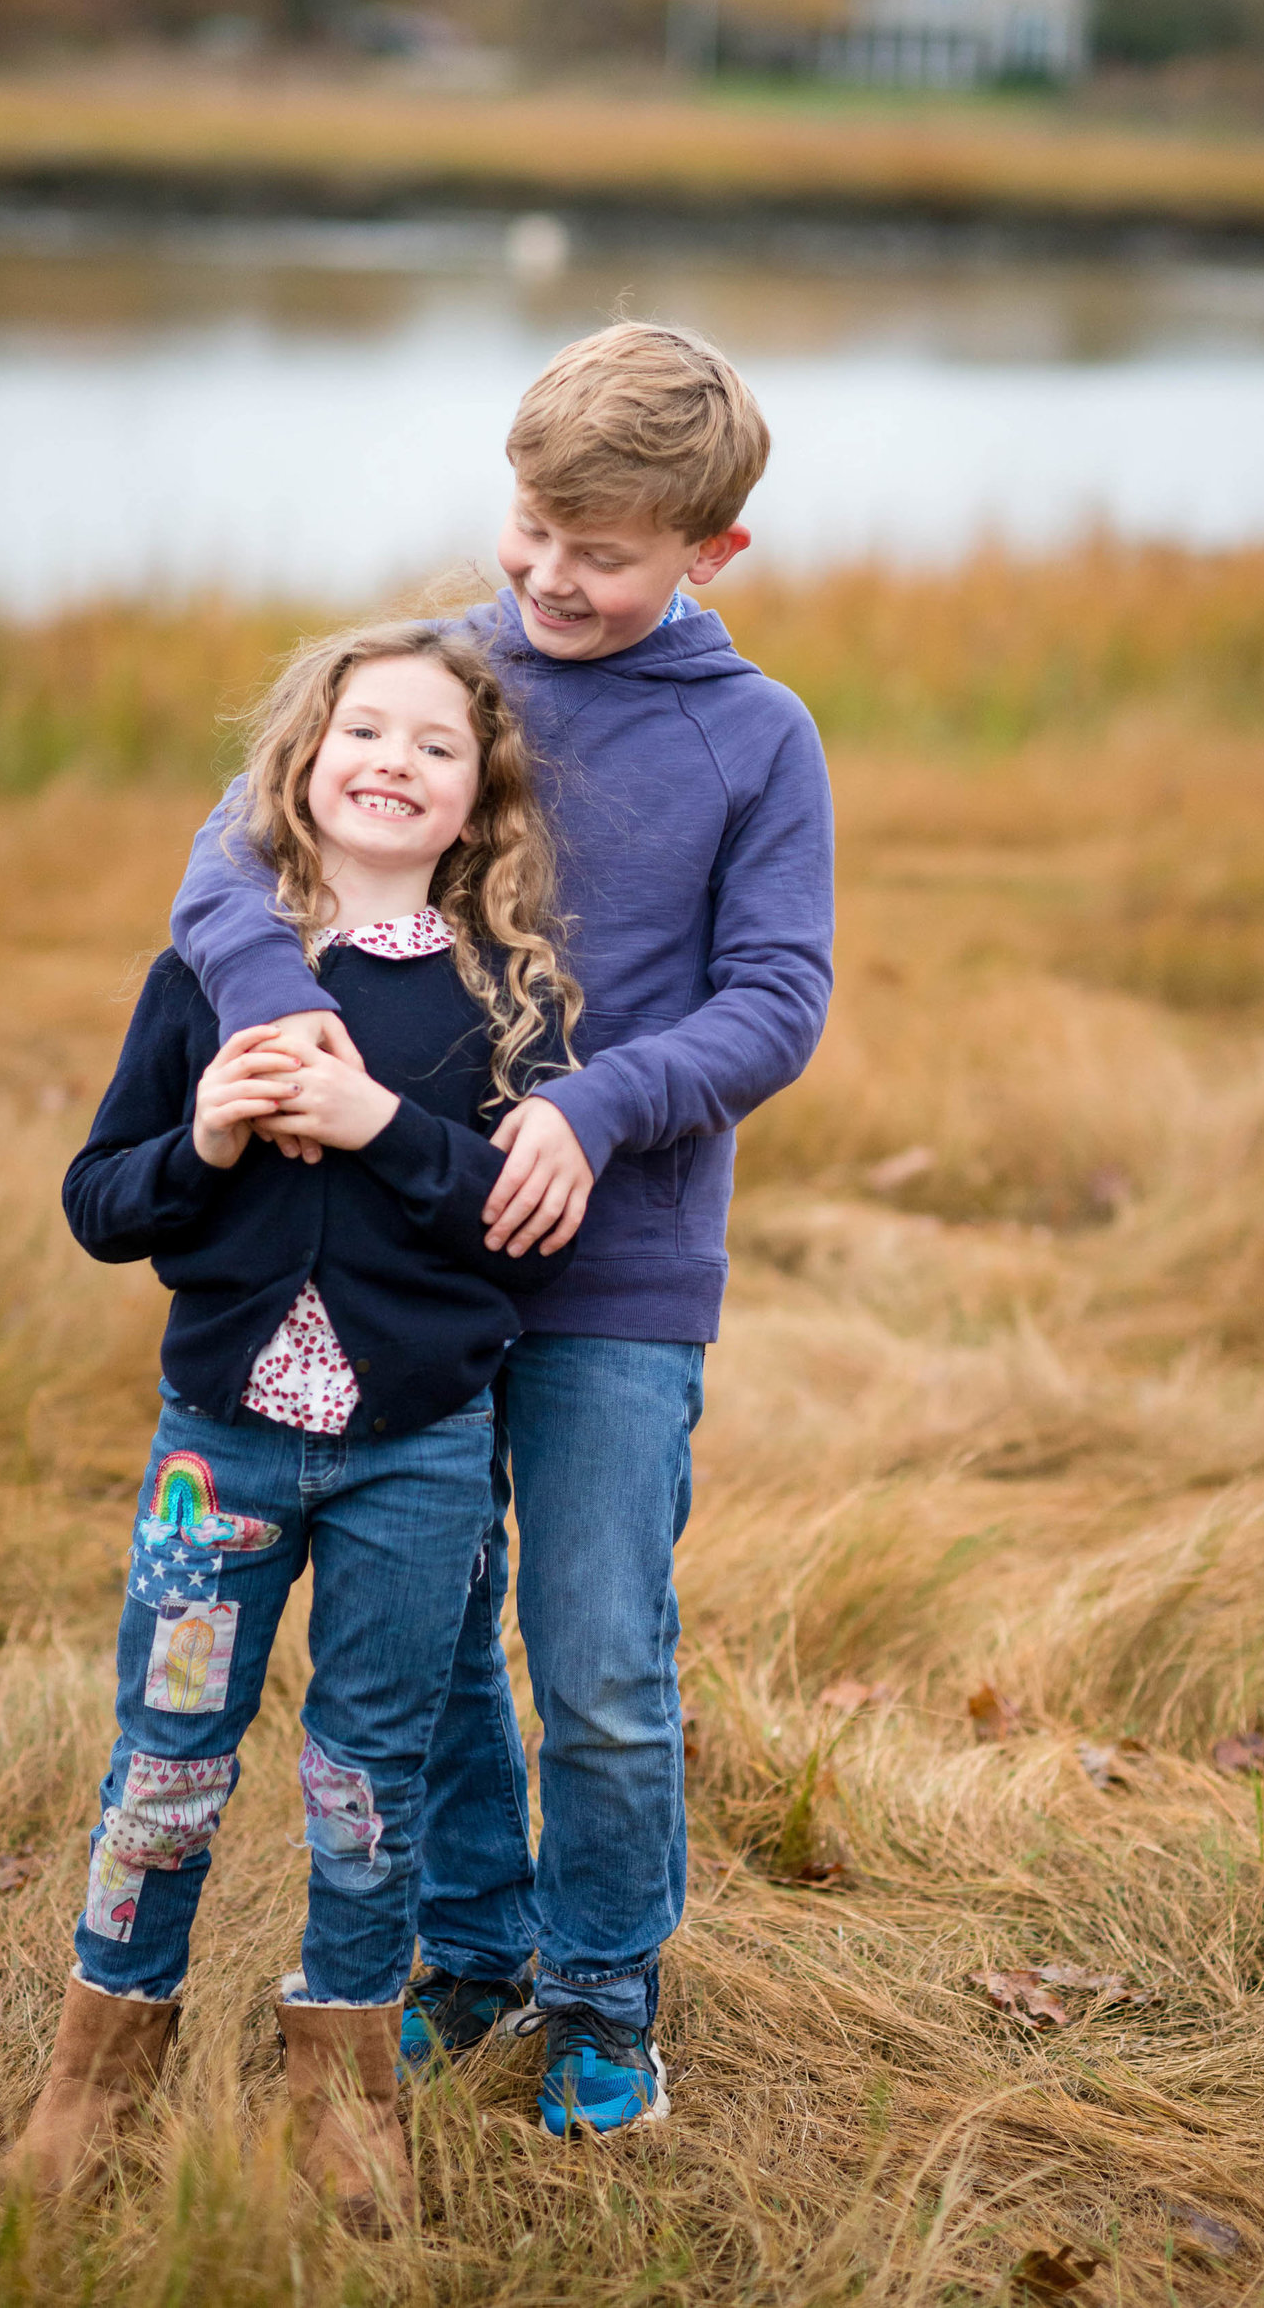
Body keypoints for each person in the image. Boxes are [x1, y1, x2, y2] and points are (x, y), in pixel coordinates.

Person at [169, 322, 836, 2138]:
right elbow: (230, 861)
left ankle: (605, 1987)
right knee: (434, 1640)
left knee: (599, 1650)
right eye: (530, 526)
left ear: (713, 553)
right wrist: (269, 1012)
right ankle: (465, 1953)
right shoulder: (437, 673)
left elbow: (779, 998)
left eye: (601, 553)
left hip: (618, 1271)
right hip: (400, 1258)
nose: (546, 575)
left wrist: (593, 1106)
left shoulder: (757, 737)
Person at [8, 622, 581, 2225]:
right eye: (364, 732)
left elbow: (528, 1218)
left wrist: (384, 1126)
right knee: (168, 1759)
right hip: (223, 1449)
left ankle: (344, 2090)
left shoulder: (505, 995)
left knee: (369, 1770)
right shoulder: (211, 969)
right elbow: (101, 1201)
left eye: (436, 746)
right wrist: (199, 1136)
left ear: (478, 805)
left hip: (419, 1452)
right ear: (302, 766)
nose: (394, 761)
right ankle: (92, 2079)